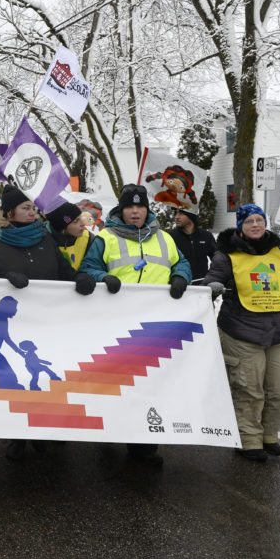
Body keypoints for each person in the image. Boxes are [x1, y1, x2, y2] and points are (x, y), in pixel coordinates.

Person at [0, 186, 97, 460]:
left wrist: (78, 278)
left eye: (33, 208)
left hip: (47, 321)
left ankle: (45, 429)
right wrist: (5, 276)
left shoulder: (44, 238)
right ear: (9, 213)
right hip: (14, 325)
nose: (33, 212)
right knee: (17, 378)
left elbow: (62, 269)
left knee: (45, 375)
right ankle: (17, 434)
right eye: (26, 208)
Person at [79, 183, 192, 467]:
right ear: (121, 209)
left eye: (140, 207)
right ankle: (111, 430)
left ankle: (144, 444)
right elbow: (88, 268)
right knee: (117, 382)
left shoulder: (165, 238)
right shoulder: (105, 237)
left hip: (156, 326)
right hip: (115, 324)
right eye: (130, 206)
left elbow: (182, 263)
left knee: (149, 384)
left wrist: (181, 276)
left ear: (147, 210)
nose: (135, 212)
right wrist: (104, 278)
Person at [203, 204, 280, 462]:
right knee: (248, 389)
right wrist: (214, 286)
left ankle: (269, 435)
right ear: (241, 225)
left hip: (278, 332)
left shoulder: (276, 251)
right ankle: (248, 439)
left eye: (259, 220)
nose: (255, 225)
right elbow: (211, 279)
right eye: (249, 221)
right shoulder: (226, 254)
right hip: (241, 332)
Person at [168, 209, 217, 281]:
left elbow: (218, 259)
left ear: (191, 216)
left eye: (181, 214)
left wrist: (212, 276)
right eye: (176, 213)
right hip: (179, 285)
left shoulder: (206, 236)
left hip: (202, 285)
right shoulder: (170, 236)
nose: (176, 217)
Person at [46, 201, 92, 271]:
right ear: (62, 229)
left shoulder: (89, 238)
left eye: (81, 218)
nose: (83, 223)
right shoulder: (42, 242)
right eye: (76, 221)